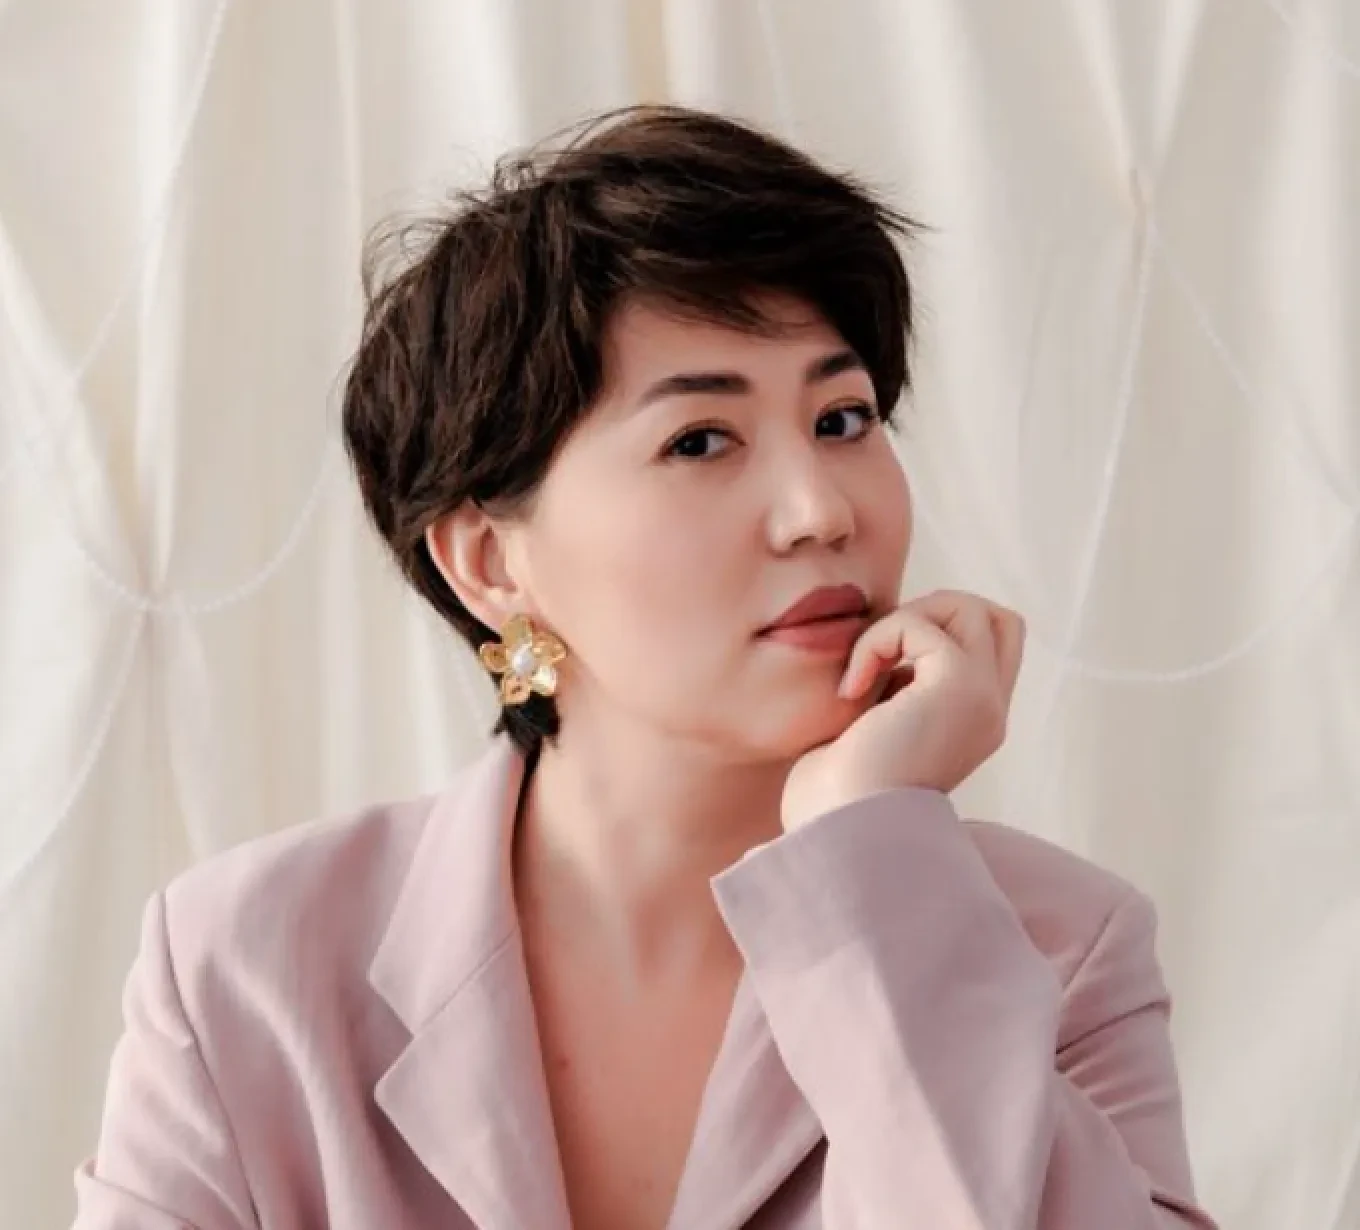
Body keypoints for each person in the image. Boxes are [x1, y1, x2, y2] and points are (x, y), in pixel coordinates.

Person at [73, 105, 1217, 1229]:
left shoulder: (1059, 948)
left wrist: (872, 860)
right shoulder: (245, 972)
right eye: (700, 440)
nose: (820, 511)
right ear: (489, 562)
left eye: (843, 419)